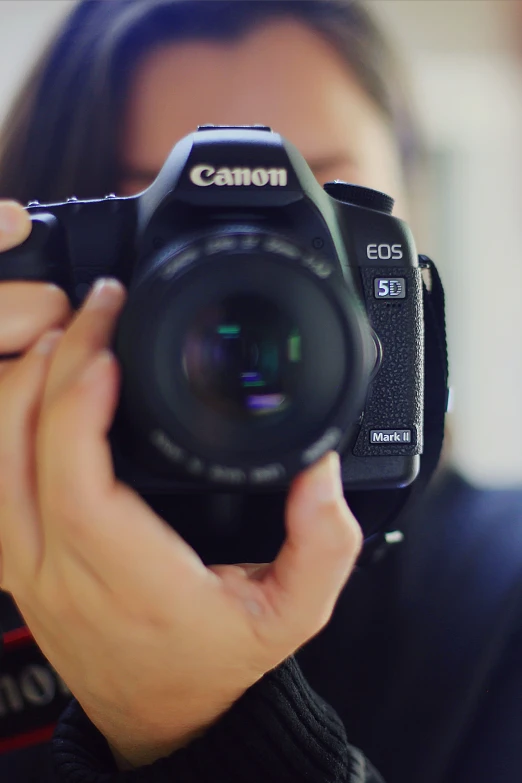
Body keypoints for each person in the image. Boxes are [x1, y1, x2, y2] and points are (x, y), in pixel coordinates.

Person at [0, 2, 521, 782]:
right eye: (167, 220)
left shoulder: (503, 593)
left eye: (330, 189)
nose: (253, 279)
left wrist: (191, 719)